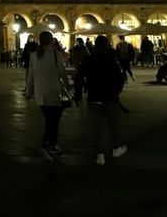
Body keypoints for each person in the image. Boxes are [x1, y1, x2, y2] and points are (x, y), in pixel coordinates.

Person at [76, 35, 127, 165]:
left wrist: (78, 94)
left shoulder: (89, 59)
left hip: (94, 98)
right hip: (110, 98)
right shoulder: (111, 59)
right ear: (106, 45)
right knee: (113, 125)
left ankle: (100, 155)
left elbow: (79, 76)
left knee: (96, 128)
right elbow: (120, 78)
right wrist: (116, 91)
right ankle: (116, 148)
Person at [26, 31, 69, 161]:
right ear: (51, 40)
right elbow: (62, 73)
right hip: (54, 92)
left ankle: (53, 145)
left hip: (41, 94)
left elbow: (31, 76)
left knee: (51, 120)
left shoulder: (34, 56)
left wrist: (29, 92)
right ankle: (45, 146)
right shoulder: (57, 54)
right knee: (53, 121)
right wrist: (68, 88)